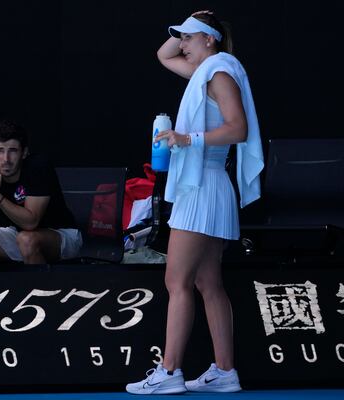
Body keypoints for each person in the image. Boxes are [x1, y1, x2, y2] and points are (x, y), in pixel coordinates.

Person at [126, 10, 263, 395]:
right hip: (207, 185)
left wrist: (189, 139)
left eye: (189, 37)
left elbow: (239, 128)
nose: (182, 43)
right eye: (182, 37)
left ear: (209, 39)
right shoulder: (205, 71)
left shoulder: (218, 72)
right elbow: (163, 54)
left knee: (177, 280)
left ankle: (169, 372)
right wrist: (194, 20)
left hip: (203, 185)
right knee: (208, 282)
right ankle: (224, 372)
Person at [0, 120, 82, 264]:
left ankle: (43, 287)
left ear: (24, 153)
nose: (6, 159)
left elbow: (31, 223)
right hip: (17, 234)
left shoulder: (37, 168)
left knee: (27, 240)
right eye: (0, 150)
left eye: (13, 150)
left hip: (62, 235)